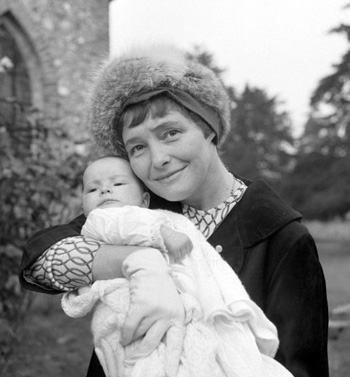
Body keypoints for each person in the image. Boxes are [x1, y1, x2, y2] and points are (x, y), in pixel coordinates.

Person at [19, 44, 329, 377]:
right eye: (138, 147)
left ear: (208, 128)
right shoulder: (141, 209)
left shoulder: (282, 237)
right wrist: (141, 263)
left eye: (171, 133)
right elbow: (39, 261)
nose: (158, 159)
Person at [61, 155, 293, 377]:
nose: (104, 190)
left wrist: (232, 302)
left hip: (178, 306)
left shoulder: (166, 217)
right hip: (127, 307)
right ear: (84, 209)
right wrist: (160, 232)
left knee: (200, 356)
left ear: (144, 200)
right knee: (149, 359)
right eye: (92, 189)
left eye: (118, 183)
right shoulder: (100, 220)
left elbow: (209, 263)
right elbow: (121, 225)